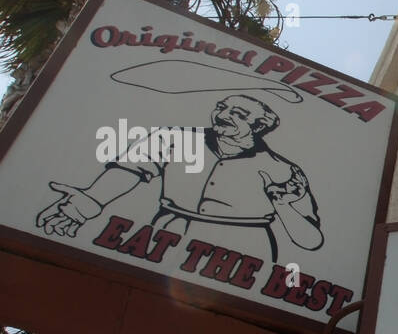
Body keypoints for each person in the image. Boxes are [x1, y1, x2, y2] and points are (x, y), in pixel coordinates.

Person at [35, 93, 321, 263]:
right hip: (164, 237)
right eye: (221, 107)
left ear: (257, 126)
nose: (223, 115)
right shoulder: (174, 139)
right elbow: (128, 170)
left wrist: (282, 204)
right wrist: (81, 208)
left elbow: (309, 239)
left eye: (238, 114)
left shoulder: (283, 170)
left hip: (244, 254)